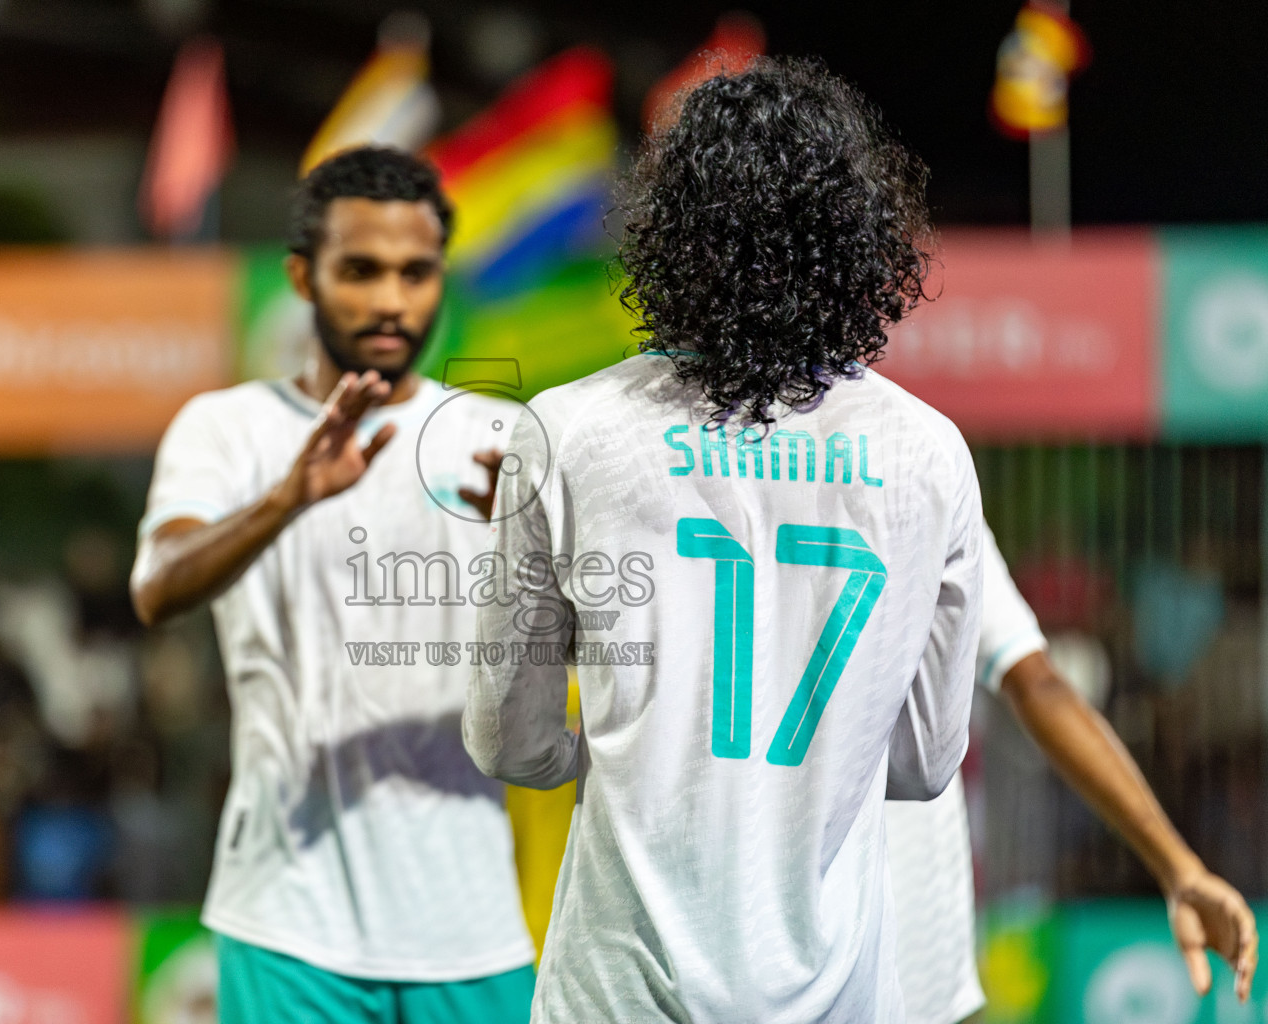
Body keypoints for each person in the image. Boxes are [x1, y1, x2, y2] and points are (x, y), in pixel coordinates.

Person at [464, 58, 983, 1022]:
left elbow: (508, 737)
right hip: (835, 997)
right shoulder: (927, 453)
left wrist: (609, 753)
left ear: (672, 236)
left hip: (614, 993)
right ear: (859, 239)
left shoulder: (566, 430)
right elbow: (922, 761)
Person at [130, 146, 535, 1024]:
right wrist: (286, 499)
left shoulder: (501, 438)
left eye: (416, 272)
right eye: (360, 270)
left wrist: (544, 563)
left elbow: (593, 656)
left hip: (471, 924)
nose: (391, 300)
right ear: (301, 278)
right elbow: (157, 587)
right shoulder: (227, 429)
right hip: (286, 921)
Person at [886, 524, 1259, 1023]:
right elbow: (1040, 687)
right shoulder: (931, 471)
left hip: (797, 937)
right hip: (909, 950)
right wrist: (1179, 868)